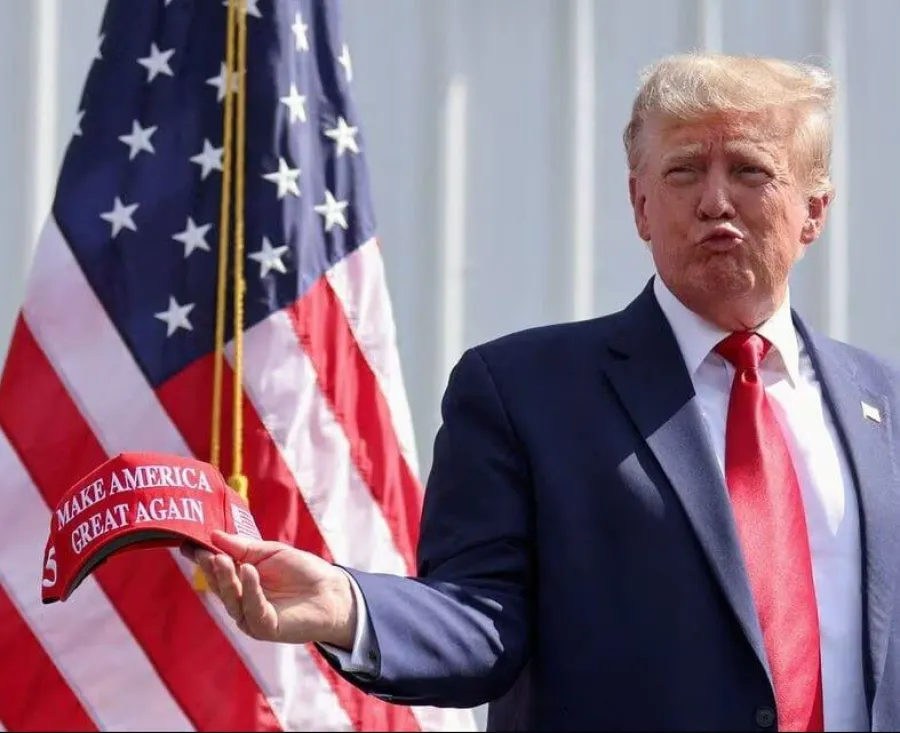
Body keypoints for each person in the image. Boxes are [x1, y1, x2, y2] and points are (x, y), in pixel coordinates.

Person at [184, 52, 900, 731]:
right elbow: (479, 618)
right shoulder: (523, 393)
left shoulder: (884, 406)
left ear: (814, 211)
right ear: (641, 204)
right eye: (683, 171)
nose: (715, 200)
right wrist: (348, 605)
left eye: (749, 170)